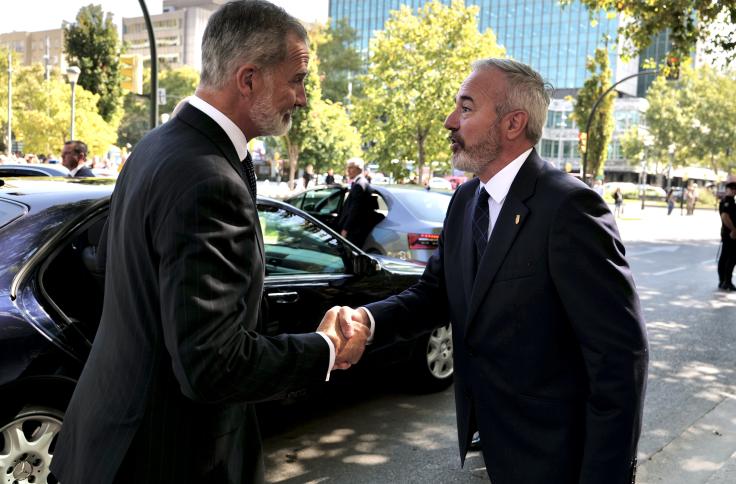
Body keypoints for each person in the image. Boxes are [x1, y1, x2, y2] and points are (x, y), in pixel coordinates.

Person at [50, 2, 368, 483]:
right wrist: (323, 349)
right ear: (249, 79)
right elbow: (210, 366)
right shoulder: (206, 178)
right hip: (163, 457)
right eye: (298, 78)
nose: (302, 98)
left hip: (112, 441)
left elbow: (141, 285)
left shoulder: (157, 146)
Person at [340, 58, 648, 484]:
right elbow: (434, 295)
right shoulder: (464, 202)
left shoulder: (571, 209)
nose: (450, 121)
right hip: (499, 449)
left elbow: (618, 359)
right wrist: (367, 321)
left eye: (466, 109)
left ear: (512, 123)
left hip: (562, 458)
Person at [339, 158, 382, 247]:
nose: (348, 170)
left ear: (359, 169)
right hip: (358, 229)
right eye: (347, 168)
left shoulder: (359, 185)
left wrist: (346, 229)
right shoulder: (361, 182)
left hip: (355, 230)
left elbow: (354, 210)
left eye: (351, 168)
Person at [718, 181, 736, 291]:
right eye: (732, 189)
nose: (734, 191)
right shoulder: (726, 202)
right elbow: (724, 216)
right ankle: (726, 281)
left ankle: (723, 281)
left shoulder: (732, 202)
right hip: (729, 234)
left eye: (735, 189)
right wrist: (733, 230)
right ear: (727, 190)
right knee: (731, 258)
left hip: (730, 234)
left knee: (725, 257)